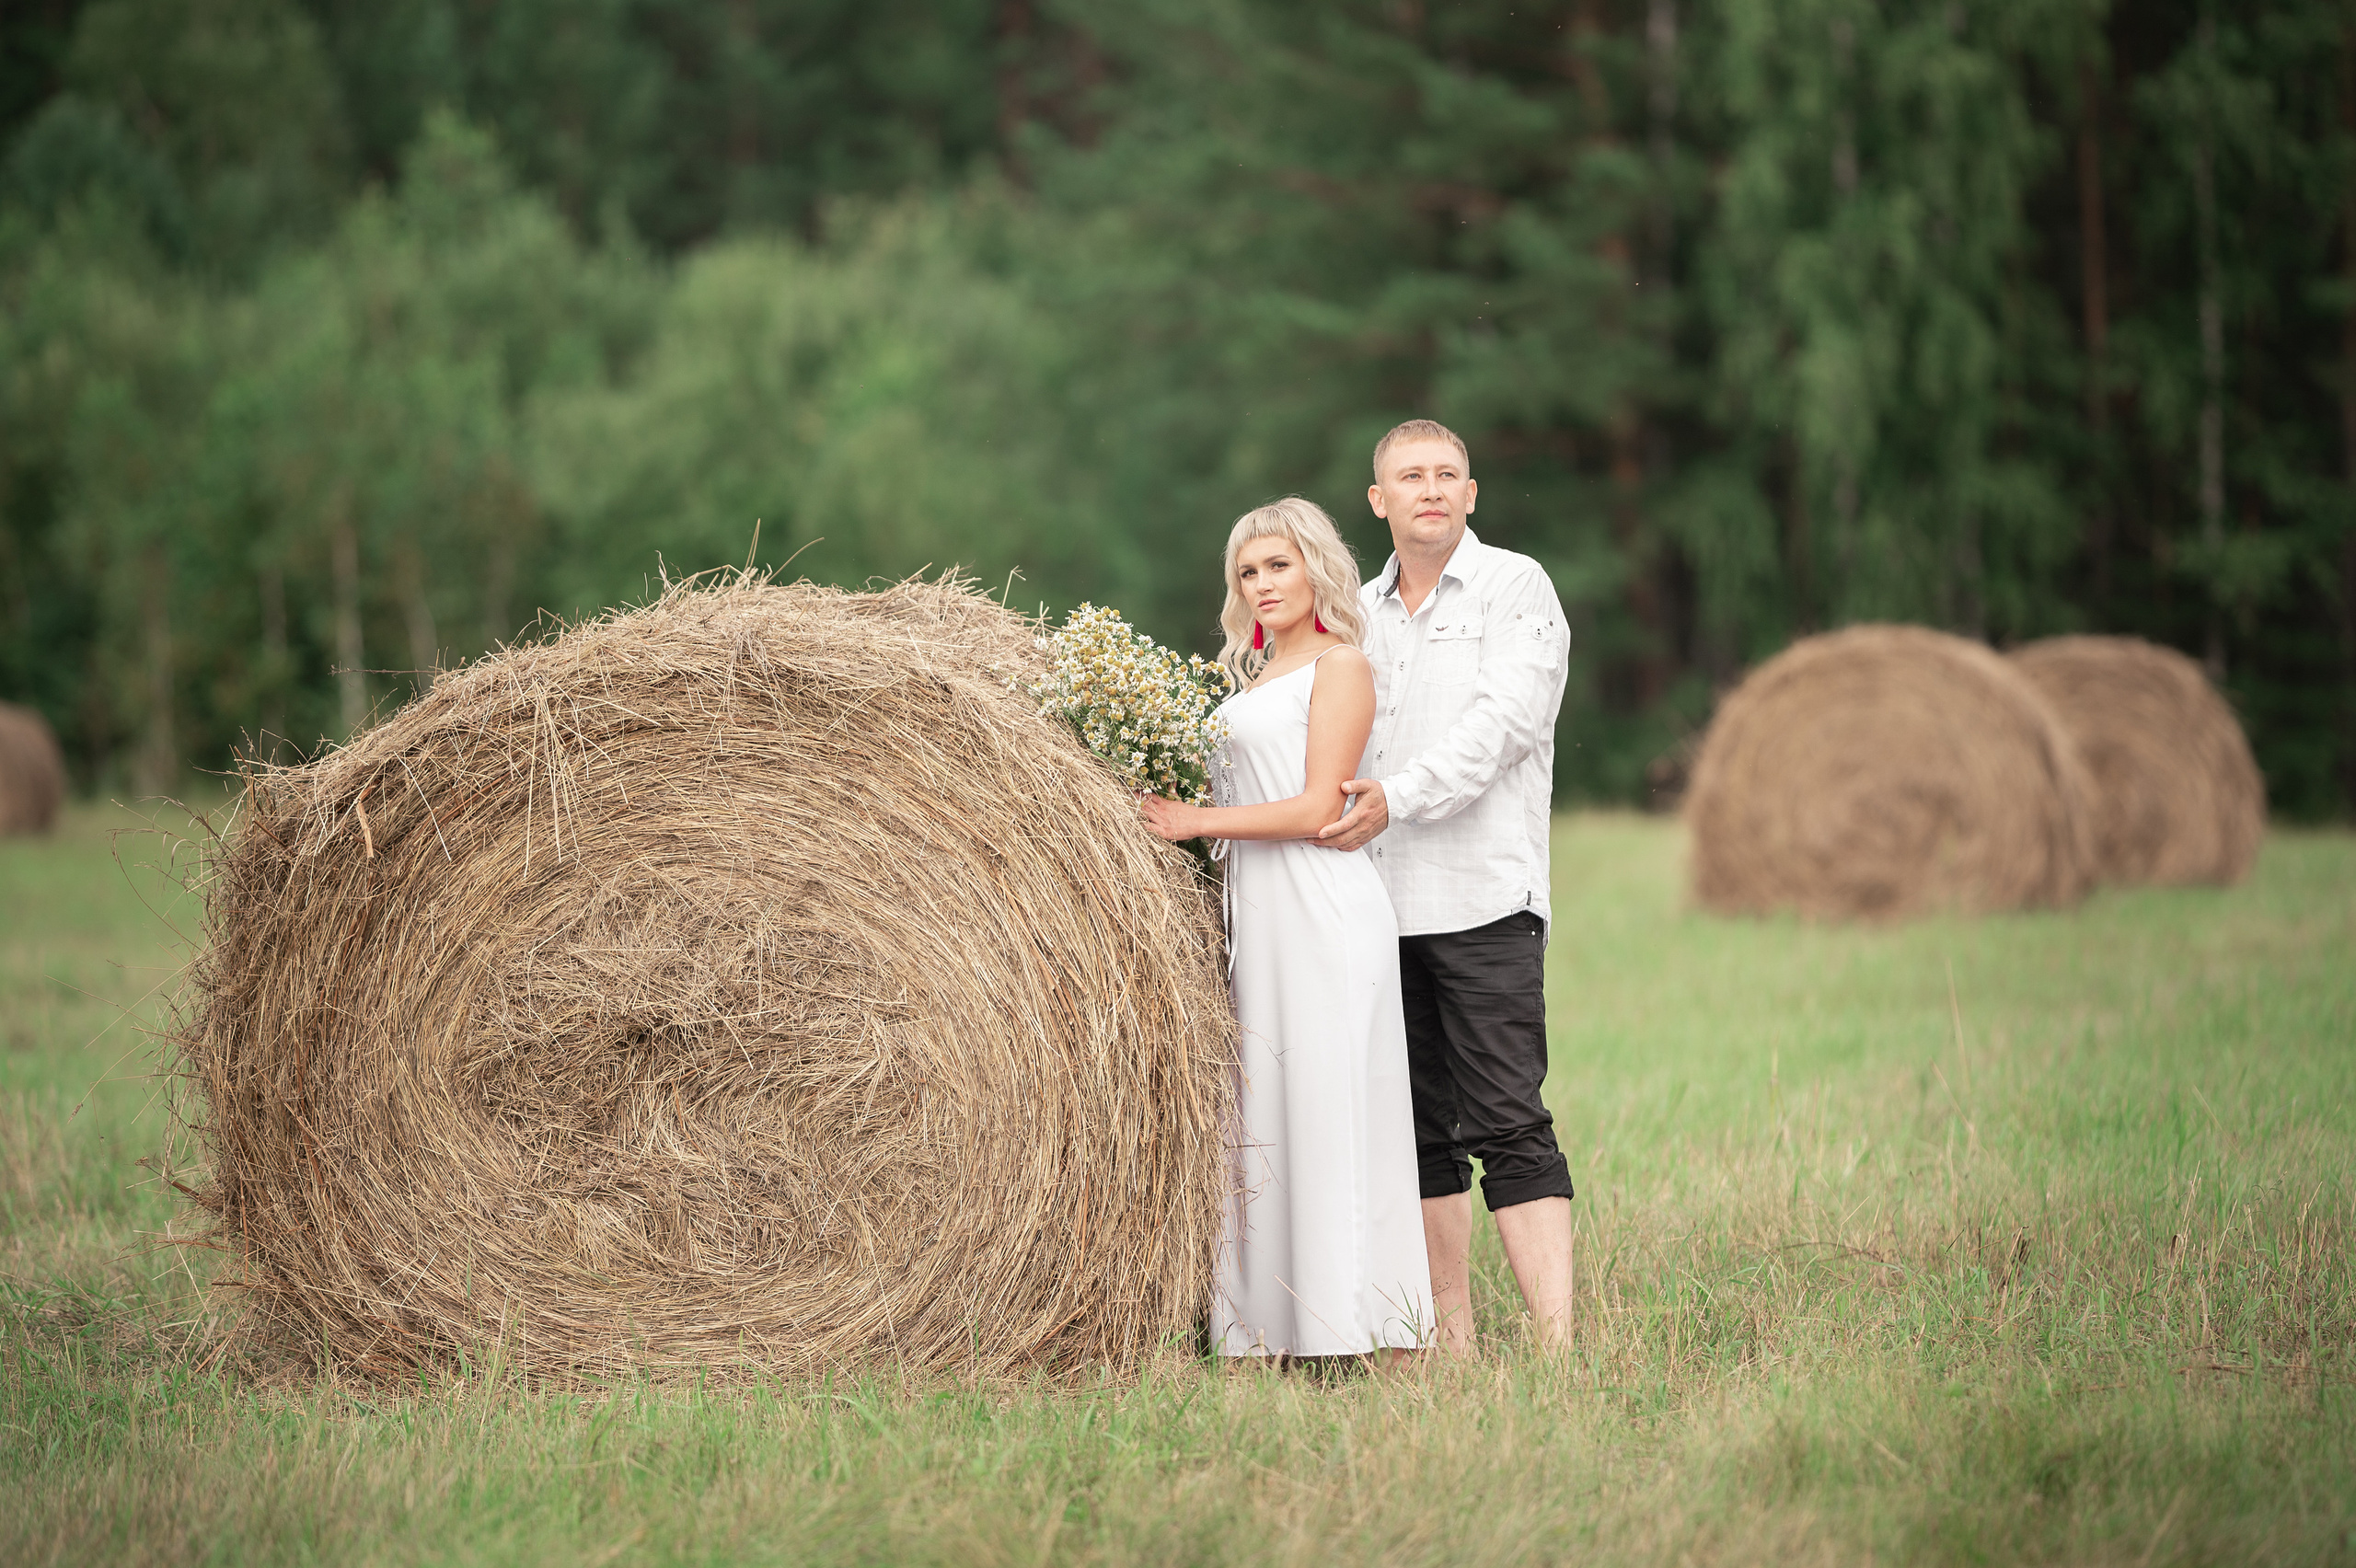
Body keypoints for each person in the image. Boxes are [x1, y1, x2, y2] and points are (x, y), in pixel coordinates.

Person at [1140, 498, 1434, 1362]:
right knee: (1266, 1114)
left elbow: (1317, 807)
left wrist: (1197, 822)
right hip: (1260, 917)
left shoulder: (1341, 665)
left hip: (1323, 911)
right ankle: (1268, 1328)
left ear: (1315, 570)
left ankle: (1349, 1325)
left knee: (1329, 1105)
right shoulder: (1256, 679)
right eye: (1247, 572)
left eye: (1278, 566)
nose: (1262, 585)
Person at [1312, 419, 1576, 1353]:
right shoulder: (1349, 614)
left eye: (1447, 475)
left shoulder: (1516, 589)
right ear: (1378, 501)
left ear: (1471, 494)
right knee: (1417, 1134)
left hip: (1482, 900)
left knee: (1508, 1119)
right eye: (1409, 477)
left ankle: (1556, 1346)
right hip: (1372, 910)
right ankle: (1450, 1344)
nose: (1430, 489)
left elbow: (1501, 727)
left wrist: (1396, 798)